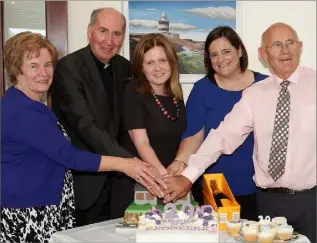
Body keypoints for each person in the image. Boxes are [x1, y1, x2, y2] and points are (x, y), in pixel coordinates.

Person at [1, 31, 165, 243]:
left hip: (38, 203)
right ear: (17, 70)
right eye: (34, 66)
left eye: (48, 65)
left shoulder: (28, 102)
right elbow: (70, 157)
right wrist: (125, 164)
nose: (43, 73)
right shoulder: (23, 110)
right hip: (30, 210)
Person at [163, 22, 316, 242]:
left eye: (290, 42)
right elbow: (221, 137)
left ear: (300, 47)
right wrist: (188, 176)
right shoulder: (255, 94)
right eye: (276, 45)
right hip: (267, 204)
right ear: (263, 53)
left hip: (311, 202)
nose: (285, 50)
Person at [166, 26, 267, 220]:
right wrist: (180, 162)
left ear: (239, 50)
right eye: (214, 55)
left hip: (255, 187)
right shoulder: (202, 89)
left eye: (226, 51)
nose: (221, 60)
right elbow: (194, 135)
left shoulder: (264, 86)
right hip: (212, 186)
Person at [50, 8, 137, 226]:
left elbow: (131, 119)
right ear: (89, 32)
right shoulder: (68, 68)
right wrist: (127, 161)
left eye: (116, 34)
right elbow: (85, 125)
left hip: (119, 184)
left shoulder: (125, 67)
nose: (109, 40)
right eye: (103, 31)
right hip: (85, 183)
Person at [110, 33, 186, 218]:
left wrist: (177, 170)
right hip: (139, 184)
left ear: (172, 63)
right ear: (141, 68)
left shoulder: (176, 93)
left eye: (162, 60)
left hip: (167, 184)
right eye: (149, 62)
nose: (157, 68)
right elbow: (141, 141)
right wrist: (163, 176)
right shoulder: (133, 90)